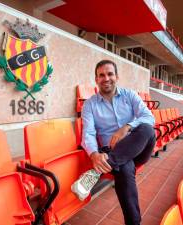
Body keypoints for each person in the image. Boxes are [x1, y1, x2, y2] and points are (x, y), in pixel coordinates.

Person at [71, 59, 156, 225]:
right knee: (124, 168)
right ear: (96, 79)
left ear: (117, 76)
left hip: (137, 150)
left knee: (147, 129)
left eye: (110, 74)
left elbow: (149, 117)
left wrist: (127, 127)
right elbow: (88, 133)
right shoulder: (90, 104)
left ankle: (96, 173)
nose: (106, 78)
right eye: (101, 75)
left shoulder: (130, 95)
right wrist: (94, 154)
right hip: (110, 150)